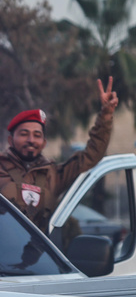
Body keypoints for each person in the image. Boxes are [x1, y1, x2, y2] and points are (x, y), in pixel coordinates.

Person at [1, 77, 118, 232]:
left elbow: (90, 156)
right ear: (10, 139)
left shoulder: (54, 174)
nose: (31, 140)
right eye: (24, 134)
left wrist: (106, 116)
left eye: (37, 135)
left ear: (43, 142)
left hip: (41, 255)